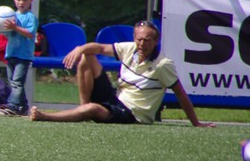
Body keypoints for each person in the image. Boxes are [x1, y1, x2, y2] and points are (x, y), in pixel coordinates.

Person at [30, 20, 215, 127]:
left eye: (147, 40)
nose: (142, 44)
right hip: (116, 100)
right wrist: (79, 49)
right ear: (134, 38)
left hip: (132, 115)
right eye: (139, 39)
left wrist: (196, 123)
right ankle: (82, 110)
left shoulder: (163, 64)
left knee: (93, 109)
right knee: (87, 56)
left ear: (156, 41)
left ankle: (46, 116)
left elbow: (181, 94)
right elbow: (98, 48)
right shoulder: (130, 48)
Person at [0, 0, 38, 116]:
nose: (21, 3)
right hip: (11, 53)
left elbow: (30, 34)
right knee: (13, 82)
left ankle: (12, 105)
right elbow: (8, 33)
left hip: (23, 56)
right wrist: (1, 27)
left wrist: (15, 27)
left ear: (31, 0)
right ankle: (23, 106)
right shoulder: (12, 15)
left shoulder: (31, 17)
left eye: (25, 0)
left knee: (17, 82)